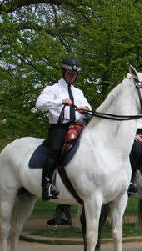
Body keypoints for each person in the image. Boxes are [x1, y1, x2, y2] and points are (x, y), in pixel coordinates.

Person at [36, 57, 92, 200]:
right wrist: (60, 101)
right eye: (70, 73)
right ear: (63, 71)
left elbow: (89, 107)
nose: (72, 76)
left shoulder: (78, 92)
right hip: (60, 127)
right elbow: (40, 104)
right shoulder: (52, 89)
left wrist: (86, 109)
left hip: (78, 126)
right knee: (54, 149)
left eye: (75, 74)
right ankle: (48, 184)